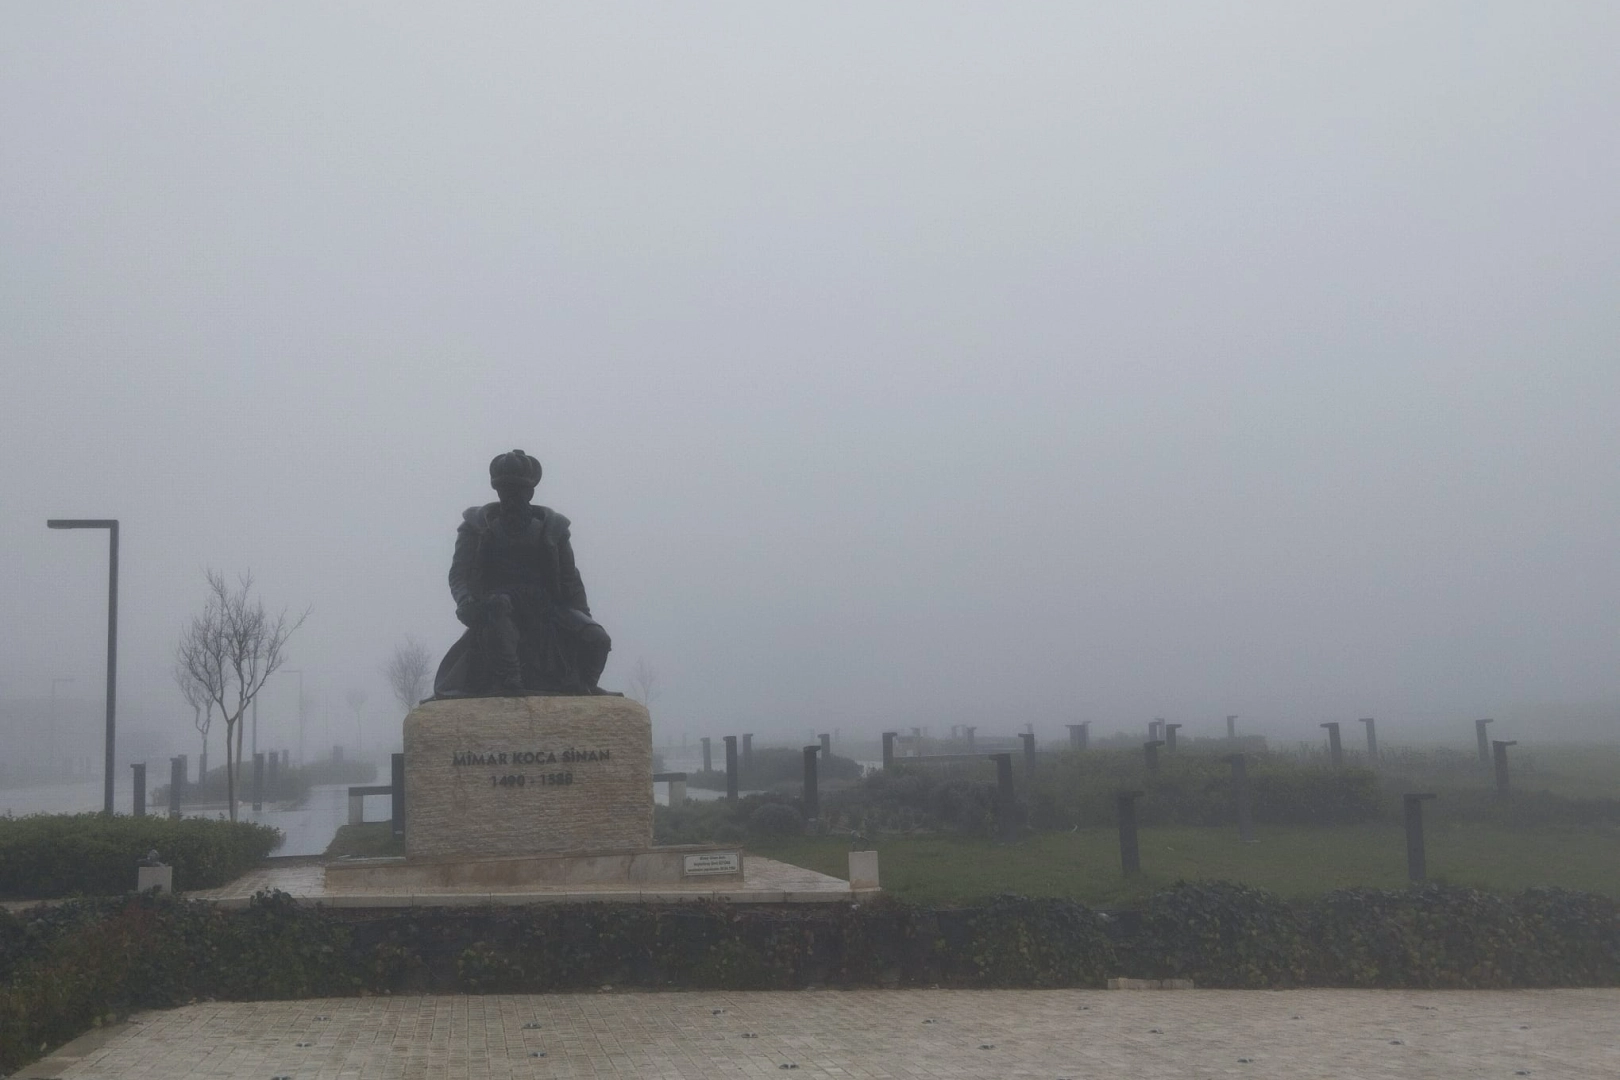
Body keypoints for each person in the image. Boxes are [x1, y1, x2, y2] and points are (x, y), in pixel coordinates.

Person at [432, 449, 612, 697]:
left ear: (530, 492)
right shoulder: (476, 527)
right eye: (505, 490)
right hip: (499, 606)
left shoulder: (553, 530)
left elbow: (571, 581)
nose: (512, 497)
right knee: (499, 615)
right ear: (498, 492)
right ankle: (510, 681)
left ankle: (584, 686)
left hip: (546, 607)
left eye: (518, 490)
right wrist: (466, 601)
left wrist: (583, 619)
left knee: (598, 639)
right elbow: (459, 574)